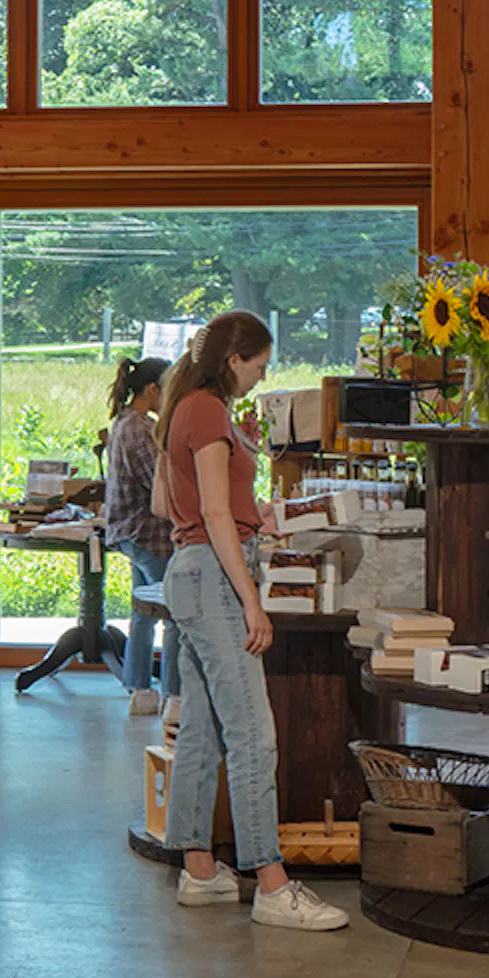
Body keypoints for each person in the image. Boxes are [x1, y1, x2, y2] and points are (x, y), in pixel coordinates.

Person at [156, 311, 348, 932]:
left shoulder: (179, 406)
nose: (262, 375)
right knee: (253, 734)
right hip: (214, 575)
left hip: (188, 571)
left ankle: (200, 872)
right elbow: (213, 512)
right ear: (234, 359)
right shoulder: (209, 411)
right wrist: (251, 598)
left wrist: (251, 510)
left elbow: (172, 503)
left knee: (204, 732)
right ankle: (271, 881)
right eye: (260, 364)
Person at [102, 356, 171, 704]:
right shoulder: (140, 430)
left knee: (143, 610)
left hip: (130, 531)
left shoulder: (124, 422)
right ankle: (174, 692)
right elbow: (160, 482)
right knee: (173, 613)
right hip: (149, 533)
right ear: (152, 389)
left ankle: (139, 686)